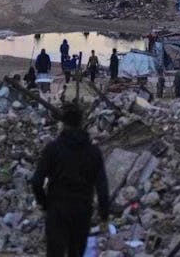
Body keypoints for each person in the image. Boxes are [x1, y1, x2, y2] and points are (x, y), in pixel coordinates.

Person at [30, 103, 109, 257]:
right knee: (77, 252)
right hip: (82, 208)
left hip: (57, 207)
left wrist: (45, 204)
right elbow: (102, 186)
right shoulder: (93, 152)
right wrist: (104, 215)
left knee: (55, 252)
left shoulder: (53, 149)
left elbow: (36, 181)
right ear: (81, 124)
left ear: (63, 124)